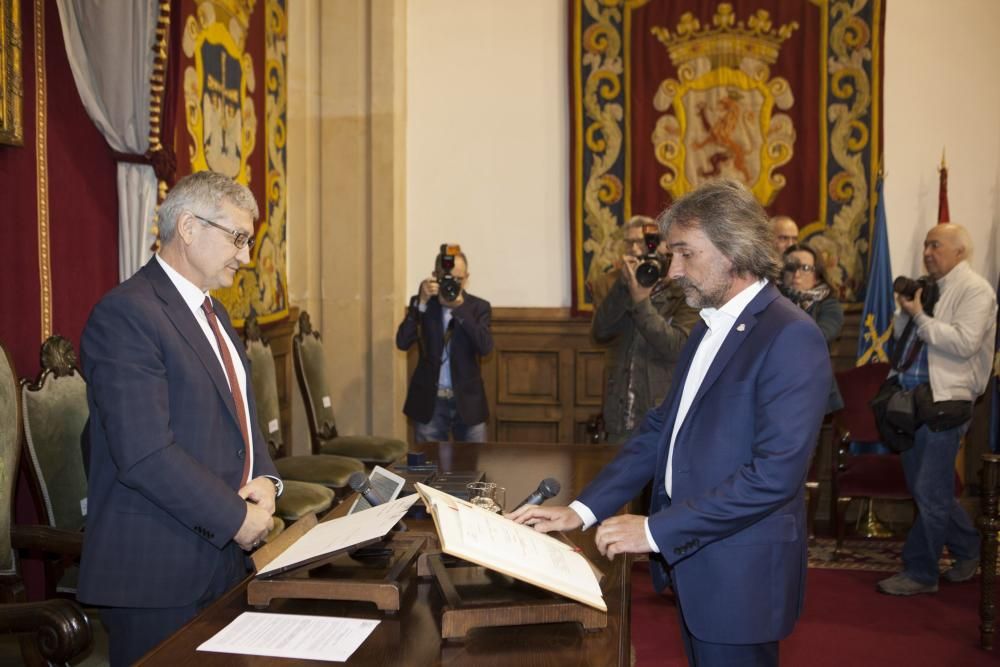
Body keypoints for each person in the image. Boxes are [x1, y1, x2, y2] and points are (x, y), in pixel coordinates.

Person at [511, 179, 832, 666]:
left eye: (686, 254)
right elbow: (662, 428)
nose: (674, 270)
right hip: (696, 562)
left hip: (739, 575)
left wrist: (655, 531)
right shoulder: (709, 323)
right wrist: (581, 510)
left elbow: (774, 477)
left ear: (733, 249)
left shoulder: (791, 336)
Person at [78, 171, 282, 666]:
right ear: (188, 227)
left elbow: (242, 420)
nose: (245, 256)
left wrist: (268, 480)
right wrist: (236, 519)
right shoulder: (126, 314)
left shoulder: (214, 314)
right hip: (158, 570)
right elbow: (145, 454)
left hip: (223, 560)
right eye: (237, 238)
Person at [876, 223, 997, 596]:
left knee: (929, 490)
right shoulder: (929, 288)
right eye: (926, 245)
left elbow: (963, 343)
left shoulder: (975, 290)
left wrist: (921, 317)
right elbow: (901, 340)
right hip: (910, 403)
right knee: (928, 490)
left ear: (960, 251)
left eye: (936, 245)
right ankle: (969, 548)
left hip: (945, 403)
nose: (928, 252)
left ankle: (921, 571)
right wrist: (907, 312)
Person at [592, 215, 699, 442]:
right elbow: (600, 333)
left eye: (643, 243)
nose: (635, 249)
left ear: (664, 247)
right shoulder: (616, 285)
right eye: (629, 243)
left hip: (660, 417)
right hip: (620, 414)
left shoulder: (686, 291)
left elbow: (677, 347)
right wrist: (623, 288)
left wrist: (641, 302)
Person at [396, 248, 493, 442]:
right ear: (435, 276)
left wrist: (460, 309)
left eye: (459, 279)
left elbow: (485, 347)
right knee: (428, 466)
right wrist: (421, 304)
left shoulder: (478, 307)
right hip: (430, 401)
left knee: (473, 465)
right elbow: (403, 342)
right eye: (447, 278)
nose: (453, 284)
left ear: (467, 278)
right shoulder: (423, 303)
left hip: (468, 401)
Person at [780, 242, 845, 412]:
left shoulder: (829, 305)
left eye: (805, 268)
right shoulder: (770, 300)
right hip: (776, 387)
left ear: (817, 275)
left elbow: (818, 337)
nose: (796, 274)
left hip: (813, 388)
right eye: (790, 267)